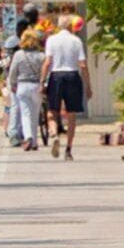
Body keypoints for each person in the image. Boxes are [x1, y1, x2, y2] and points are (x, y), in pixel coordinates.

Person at [42, 9, 91, 158]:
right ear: (71, 26)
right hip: (72, 76)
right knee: (71, 114)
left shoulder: (51, 40)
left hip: (56, 76)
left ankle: (54, 133)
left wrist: (42, 81)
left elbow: (47, 62)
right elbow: (82, 64)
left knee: (51, 110)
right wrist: (88, 86)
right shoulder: (76, 41)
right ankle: (68, 149)